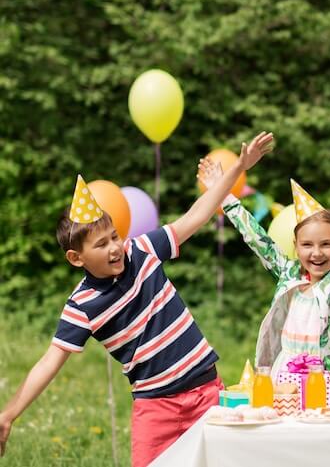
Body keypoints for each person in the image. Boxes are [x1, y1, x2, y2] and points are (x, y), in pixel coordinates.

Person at [0, 132, 275, 466]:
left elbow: (196, 216)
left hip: (206, 391)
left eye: (114, 236)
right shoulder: (82, 305)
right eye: (101, 245)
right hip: (155, 407)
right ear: (76, 258)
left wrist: (238, 169)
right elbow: (48, 363)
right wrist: (8, 414)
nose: (115, 247)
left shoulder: (142, 250)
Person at [202, 151, 330, 381]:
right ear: (296, 246)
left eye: (326, 244)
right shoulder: (289, 273)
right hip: (286, 375)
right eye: (307, 245)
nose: (316, 253)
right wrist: (224, 197)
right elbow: (258, 240)